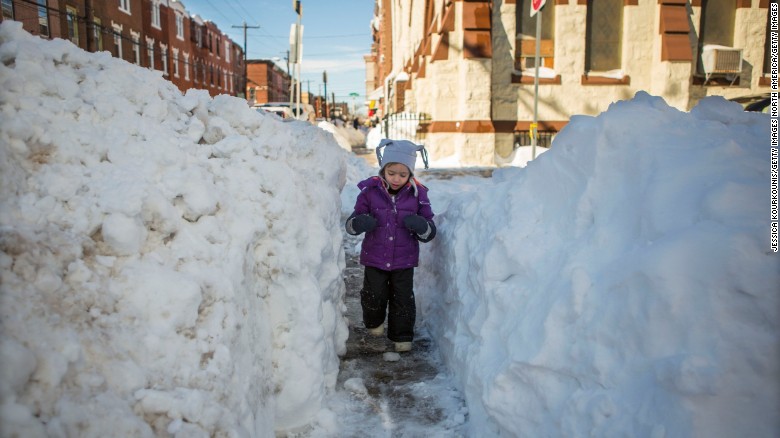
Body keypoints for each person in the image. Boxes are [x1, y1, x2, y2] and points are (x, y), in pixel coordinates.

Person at [345, 139, 436, 352]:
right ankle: (374, 324)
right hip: (374, 257)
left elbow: (430, 230)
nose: (397, 179)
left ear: (411, 175)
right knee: (373, 294)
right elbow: (350, 225)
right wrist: (360, 223)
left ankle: (402, 336)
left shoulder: (418, 195)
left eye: (403, 175)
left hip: (404, 261)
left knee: (402, 299)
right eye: (392, 172)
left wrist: (421, 225)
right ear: (383, 169)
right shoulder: (369, 191)